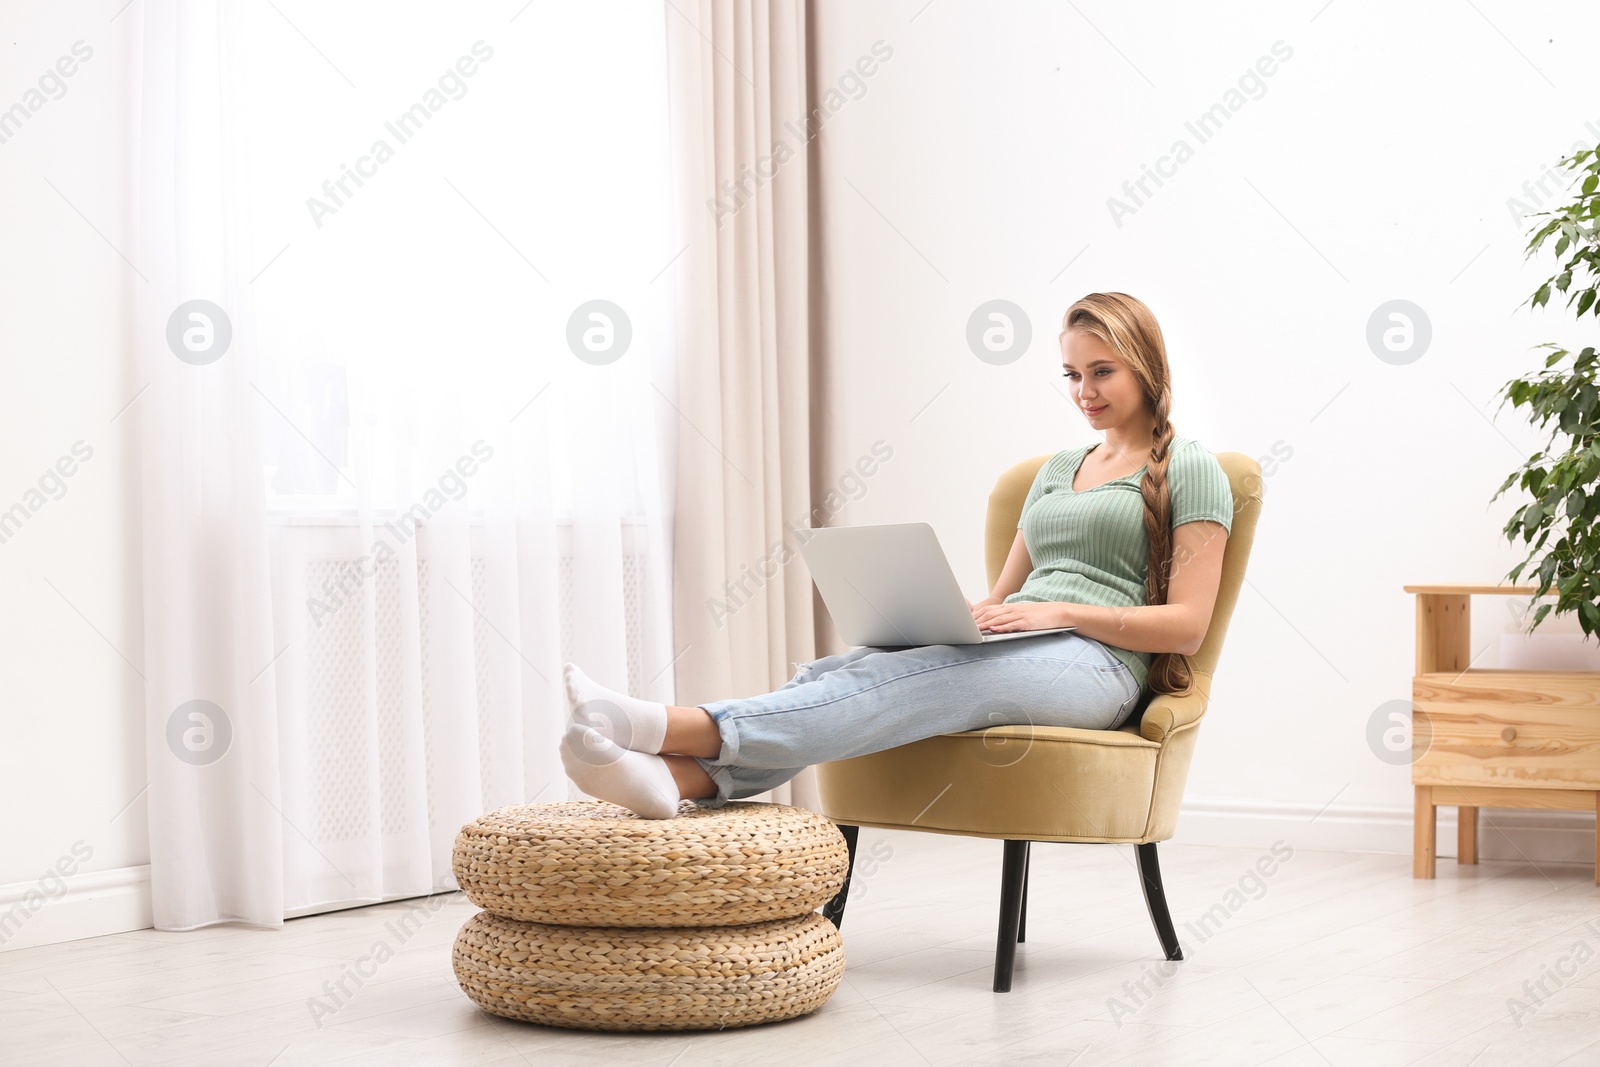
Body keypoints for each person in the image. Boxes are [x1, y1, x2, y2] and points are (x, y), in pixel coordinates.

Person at [559, 292, 1234, 819]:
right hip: (1027, 642)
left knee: (944, 677)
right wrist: (957, 617)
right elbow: (1001, 598)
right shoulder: (1058, 469)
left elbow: (1188, 624)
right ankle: (673, 779)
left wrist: (1065, 612)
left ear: (1144, 364)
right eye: (1072, 373)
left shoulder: (1191, 468)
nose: (1084, 390)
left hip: (1101, 669)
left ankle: (664, 724)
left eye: (1101, 371)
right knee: (849, 668)